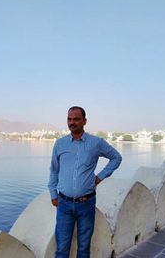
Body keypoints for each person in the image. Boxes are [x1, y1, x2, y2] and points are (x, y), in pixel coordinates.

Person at [48, 106, 122, 258]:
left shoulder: (96, 143)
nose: (72, 122)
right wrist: (53, 194)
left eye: (76, 119)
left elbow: (116, 158)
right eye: (69, 119)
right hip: (64, 205)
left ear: (84, 121)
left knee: (83, 248)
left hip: (86, 204)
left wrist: (100, 176)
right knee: (61, 248)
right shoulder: (60, 144)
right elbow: (54, 170)